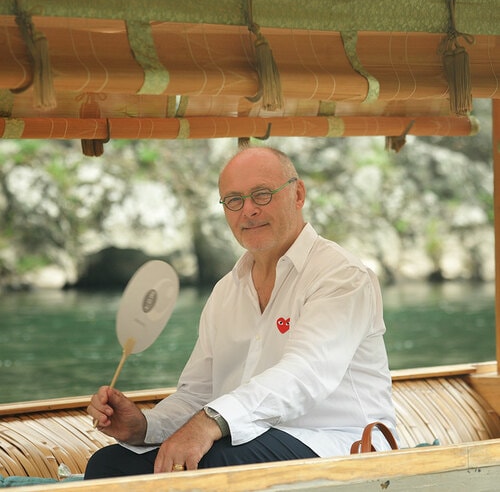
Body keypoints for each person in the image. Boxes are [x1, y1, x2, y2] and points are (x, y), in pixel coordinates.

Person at [85, 146, 396, 479]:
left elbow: (304, 374)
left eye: (262, 194)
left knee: (213, 462)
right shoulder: (226, 291)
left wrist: (211, 422)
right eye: (234, 200)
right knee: (108, 465)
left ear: (298, 194)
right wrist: (145, 426)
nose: (248, 210)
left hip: (339, 442)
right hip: (247, 437)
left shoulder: (341, 276)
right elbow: (198, 393)